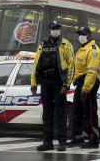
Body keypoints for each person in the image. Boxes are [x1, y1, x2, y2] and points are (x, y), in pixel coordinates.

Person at [30, 20, 74, 152]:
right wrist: (33, 84)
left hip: (59, 82)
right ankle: (47, 141)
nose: (56, 30)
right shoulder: (42, 45)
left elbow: (71, 65)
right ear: (49, 30)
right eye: (53, 28)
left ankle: (62, 141)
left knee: (61, 113)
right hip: (45, 82)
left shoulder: (66, 44)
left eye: (57, 28)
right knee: (47, 113)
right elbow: (36, 64)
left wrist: (66, 84)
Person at [69, 26, 100, 149]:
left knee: (90, 112)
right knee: (76, 112)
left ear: (89, 35)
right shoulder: (82, 50)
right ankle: (77, 138)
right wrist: (74, 80)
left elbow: (92, 72)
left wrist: (85, 89)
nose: (81, 36)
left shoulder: (93, 50)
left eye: (83, 34)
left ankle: (93, 140)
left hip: (88, 84)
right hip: (80, 84)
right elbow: (78, 68)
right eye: (80, 34)